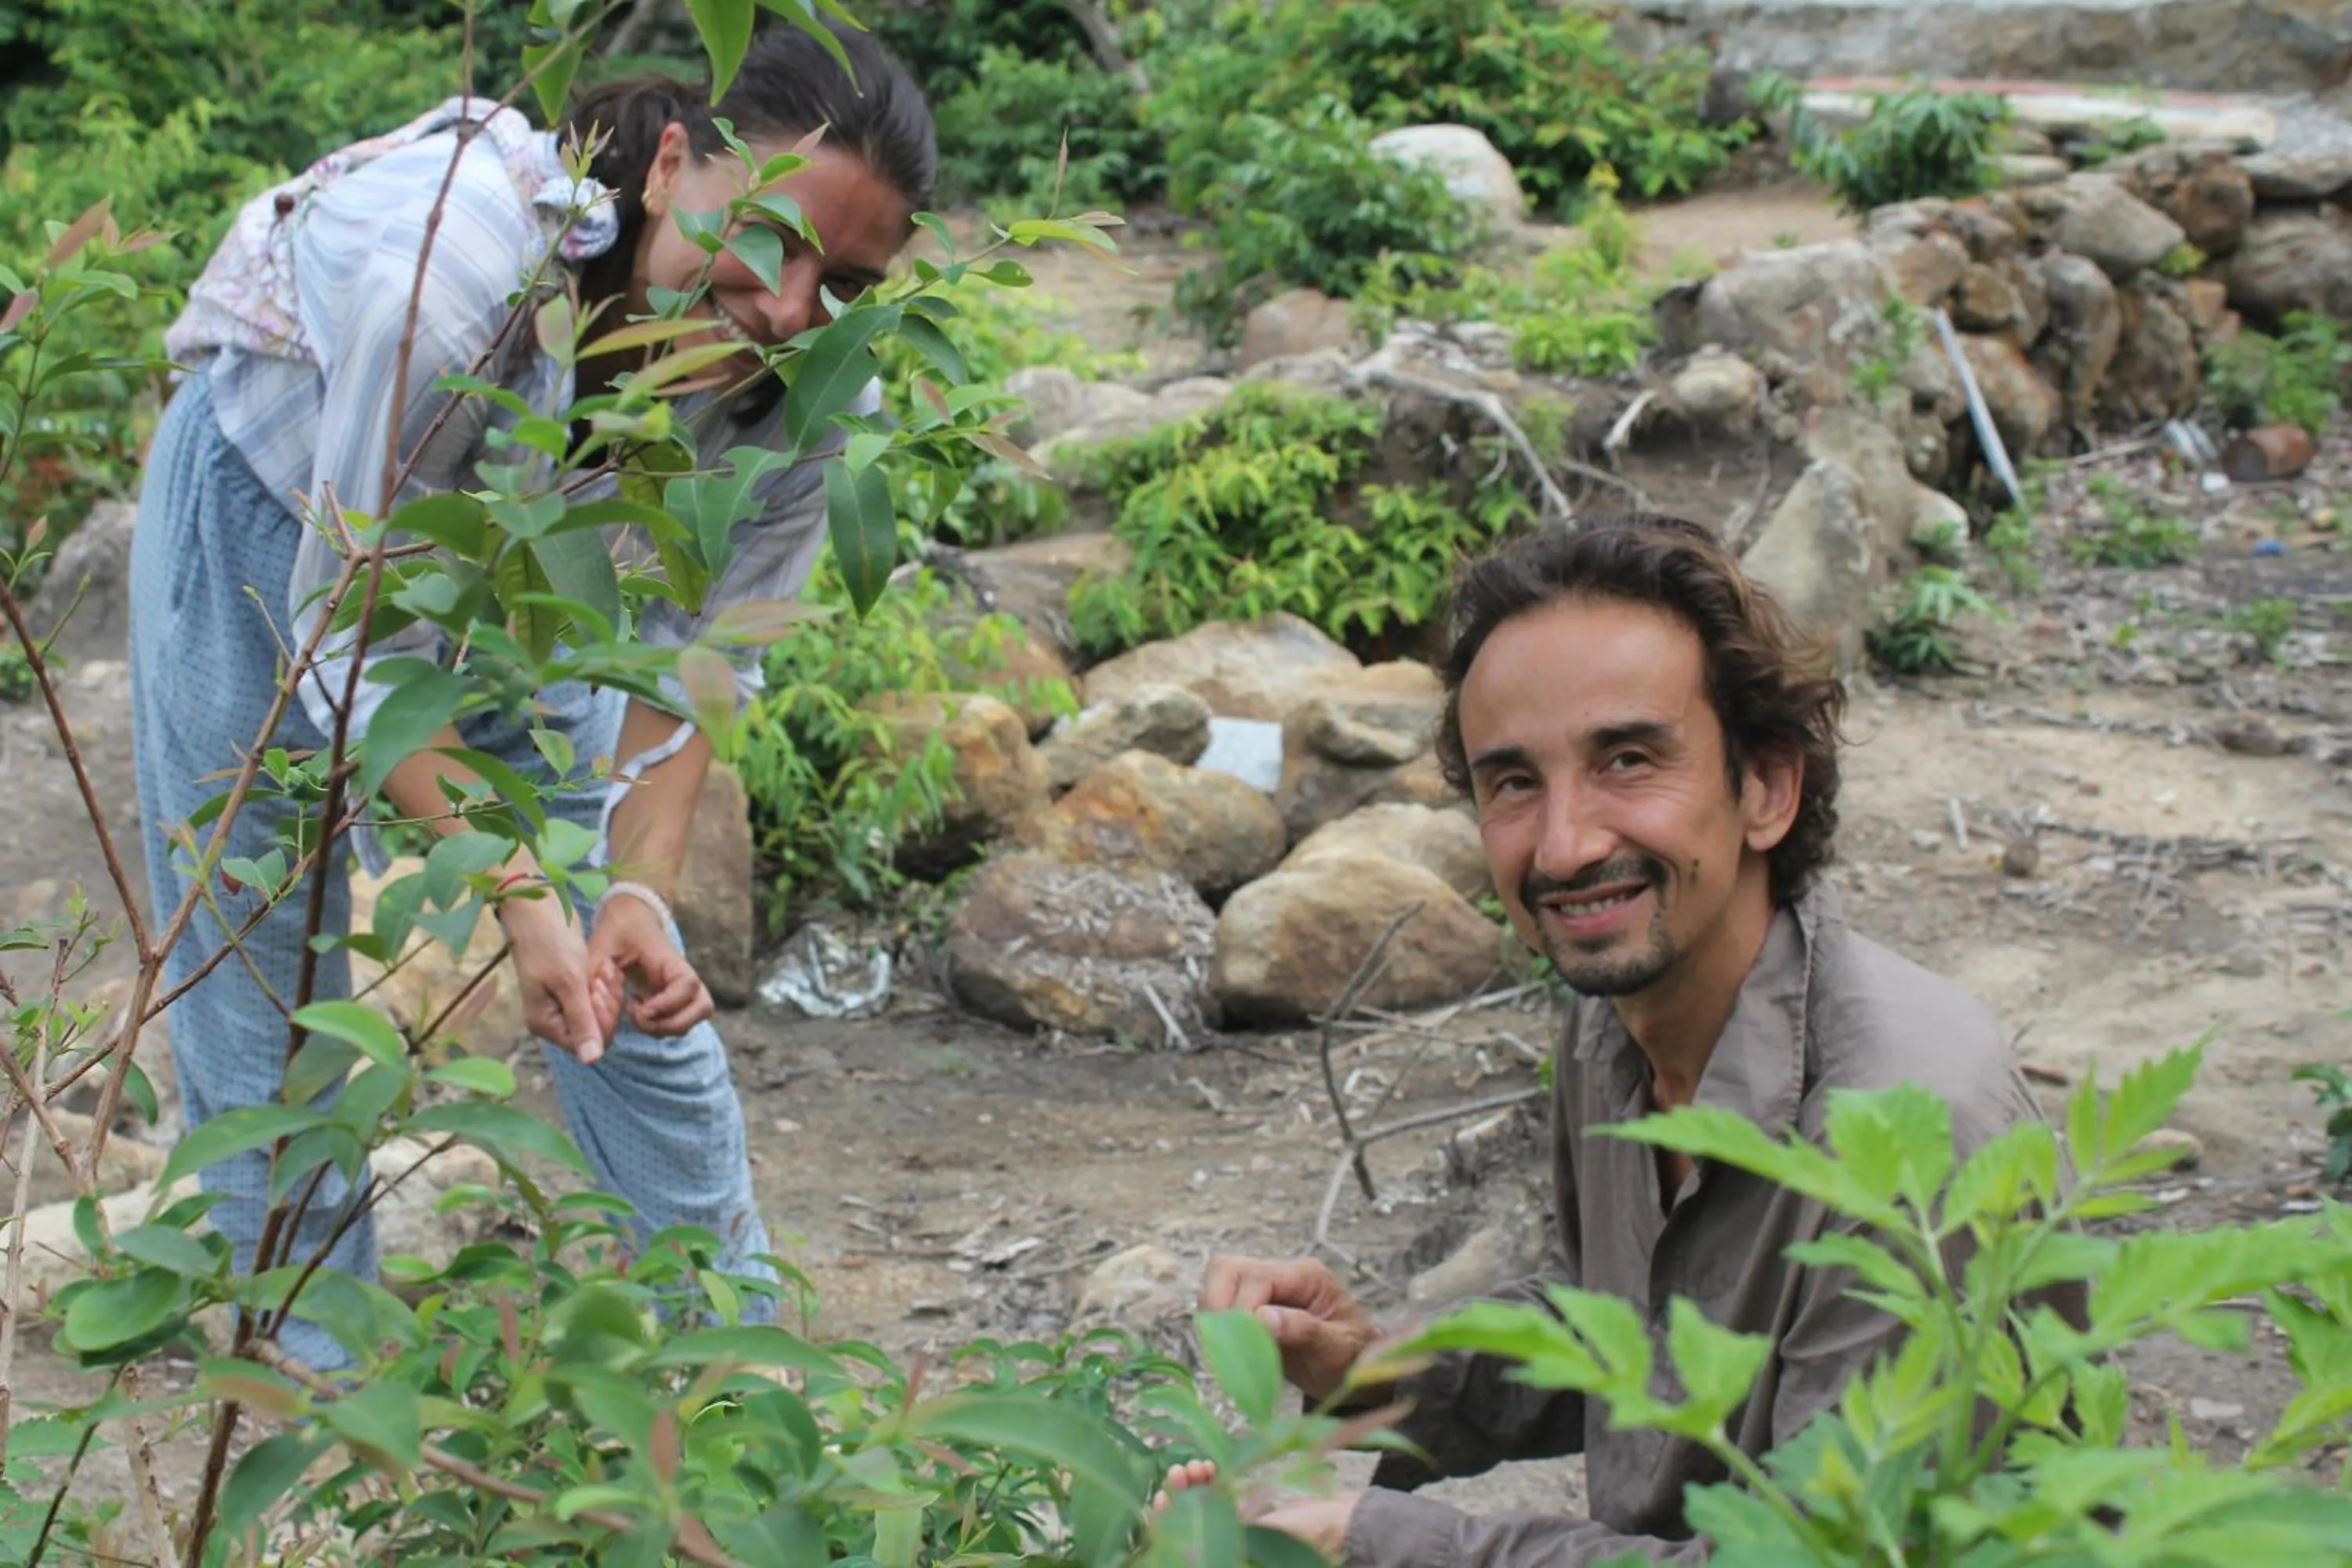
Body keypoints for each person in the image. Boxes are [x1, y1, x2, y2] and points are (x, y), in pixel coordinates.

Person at [129, 24, 935, 1368]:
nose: (793, 309)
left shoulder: (808, 396)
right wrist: (513, 892)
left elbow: (697, 658)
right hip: (271, 519)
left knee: (630, 977)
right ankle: (316, 1396)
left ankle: (728, 1373)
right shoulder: (461, 280)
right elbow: (349, 622)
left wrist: (633, 893)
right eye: (774, 240)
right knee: (262, 955)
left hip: (514, 582)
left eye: (843, 281)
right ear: (676, 165)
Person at [1195, 515, 2082, 1565]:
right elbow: (1627, 1328)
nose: (1567, 845)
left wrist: (1381, 1542)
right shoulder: (1613, 1026)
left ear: (1766, 788)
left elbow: (1832, 1558)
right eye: (1514, 782)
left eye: (1627, 759)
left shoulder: (1907, 1140)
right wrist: (1380, 1372)